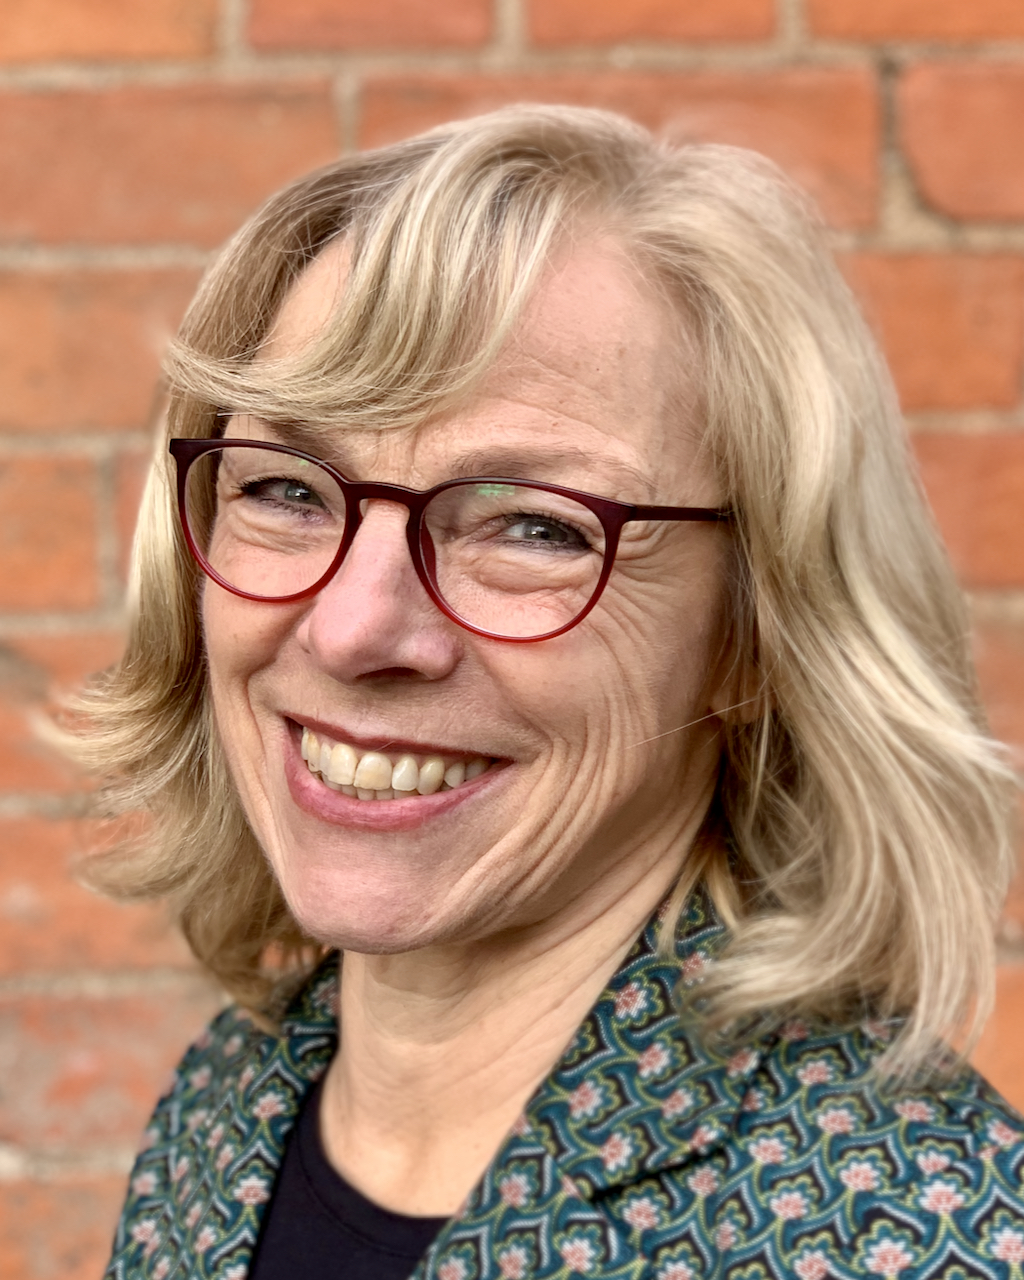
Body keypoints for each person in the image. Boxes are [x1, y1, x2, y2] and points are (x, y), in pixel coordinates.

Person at [68, 105, 1023, 1280]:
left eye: (533, 526)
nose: (354, 626)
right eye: (288, 490)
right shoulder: (231, 1101)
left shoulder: (909, 1238)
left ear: (756, 635)